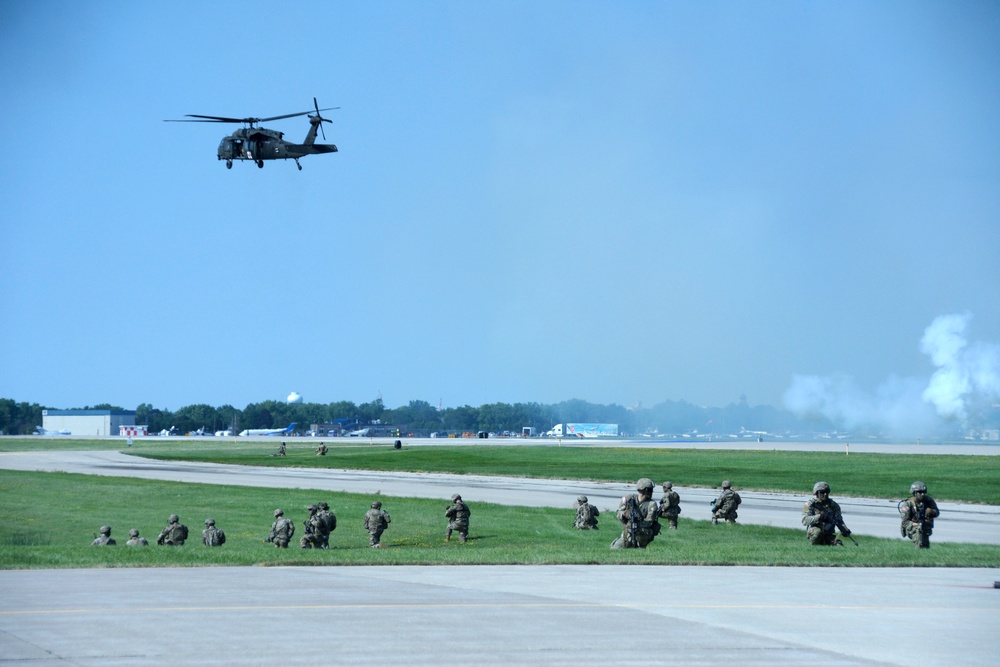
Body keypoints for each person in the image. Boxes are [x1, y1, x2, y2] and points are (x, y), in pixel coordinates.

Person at [611, 478, 661, 549]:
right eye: (649, 490)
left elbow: (649, 522)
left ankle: (640, 546)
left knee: (639, 546)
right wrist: (624, 514)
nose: (651, 492)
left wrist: (636, 525)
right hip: (628, 531)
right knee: (615, 548)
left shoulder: (652, 504)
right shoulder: (628, 499)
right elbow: (618, 513)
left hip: (643, 532)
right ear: (643, 490)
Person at [801, 481, 853, 545]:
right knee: (817, 533)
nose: (825, 494)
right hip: (815, 531)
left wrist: (845, 530)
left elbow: (839, 520)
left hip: (829, 534)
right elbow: (805, 520)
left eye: (827, 492)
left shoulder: (834, 506)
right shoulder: (810, 505)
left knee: (839, 545)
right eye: (822, 492)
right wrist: (819, 517)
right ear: (817, 493)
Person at [900, 481, 940, 549]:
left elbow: (937, 513)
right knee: (918, 530)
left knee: (925, 544)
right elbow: (904, 522)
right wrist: (915, 524)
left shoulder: (929, 501)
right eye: (920, 492)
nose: (922, 494)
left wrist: (931, 512)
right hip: (911, 527)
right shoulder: (907, 504)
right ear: (915, 493)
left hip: (925, 527)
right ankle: (918, 548)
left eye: (924, 492)